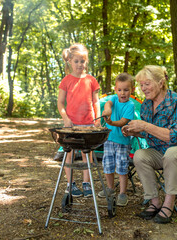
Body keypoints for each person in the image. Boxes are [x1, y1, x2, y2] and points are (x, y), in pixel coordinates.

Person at [122, 65, 177, 223]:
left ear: (161, 83)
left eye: (147, 84)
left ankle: (169, 204)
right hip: (162, 151)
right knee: (140, 155)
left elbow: (175, 137)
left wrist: (145, 125)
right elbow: (150, 134)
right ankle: (154, 203)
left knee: (172, 152)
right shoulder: (147, 105)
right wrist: (135, 131)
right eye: (141, 85)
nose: (143, 89)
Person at [57, 43, 101, 197]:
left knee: (86, 153)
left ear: (86, 62)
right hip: (71, 124)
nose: (79, 64)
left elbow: (96, 102)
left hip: (88, 123)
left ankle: (86, 183)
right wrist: (66, 119)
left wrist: (97, 119)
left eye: (82, 61)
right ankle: (70, 184)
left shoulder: (91, 80)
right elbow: (60, 103)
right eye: (76, 61)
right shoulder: (66, 80)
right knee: (69, 153)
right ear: (70, 61)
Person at [97, 73, 135, 207]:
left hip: (123, 142)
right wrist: (107, 110)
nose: (122, 93)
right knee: (108, 165)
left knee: (122, 167)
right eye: (120, 90)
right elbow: (108, 103)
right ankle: (110, 188)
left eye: (126, 90)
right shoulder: (113, 98)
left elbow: (123, 122)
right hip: (109, 140)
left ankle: (123, 193)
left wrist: (111, 122)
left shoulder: (130, 105)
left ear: (132, 90)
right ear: (115, 90)